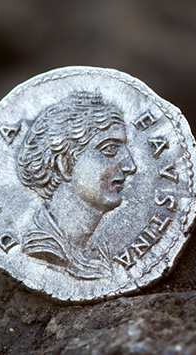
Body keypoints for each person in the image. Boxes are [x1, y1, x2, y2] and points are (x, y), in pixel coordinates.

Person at [16, 90, 137, 279]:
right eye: (110, 149)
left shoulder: (96, 249)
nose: (130, 166)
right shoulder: (42, 248)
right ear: (64, 164)